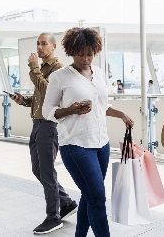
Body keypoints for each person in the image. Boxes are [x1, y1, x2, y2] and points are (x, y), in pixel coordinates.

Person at [43, 27, 135, 237]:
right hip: (76, 146)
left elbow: (102, 105)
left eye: (89, 54)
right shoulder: (60, 77)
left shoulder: (99, 73)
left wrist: (121, 114)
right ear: (71, 51)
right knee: (97, 199)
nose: (85, 59)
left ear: (95, 51)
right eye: (80, 54)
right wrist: (71, 109)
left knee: (89, 195)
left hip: (101, 144)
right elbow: (46, 111)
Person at [9, 32, 77, 235]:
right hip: (37, 123)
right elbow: (41, 97)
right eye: (38, 44)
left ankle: (53, 216)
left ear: (53, 46)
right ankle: (66, 203)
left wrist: (33, 68)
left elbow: (50, 93)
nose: (39, 47)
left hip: (49, 126)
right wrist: (25, 101)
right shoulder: (43, 69)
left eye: (44, 44)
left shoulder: (58, 69)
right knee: (38, 170)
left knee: (47, 171)